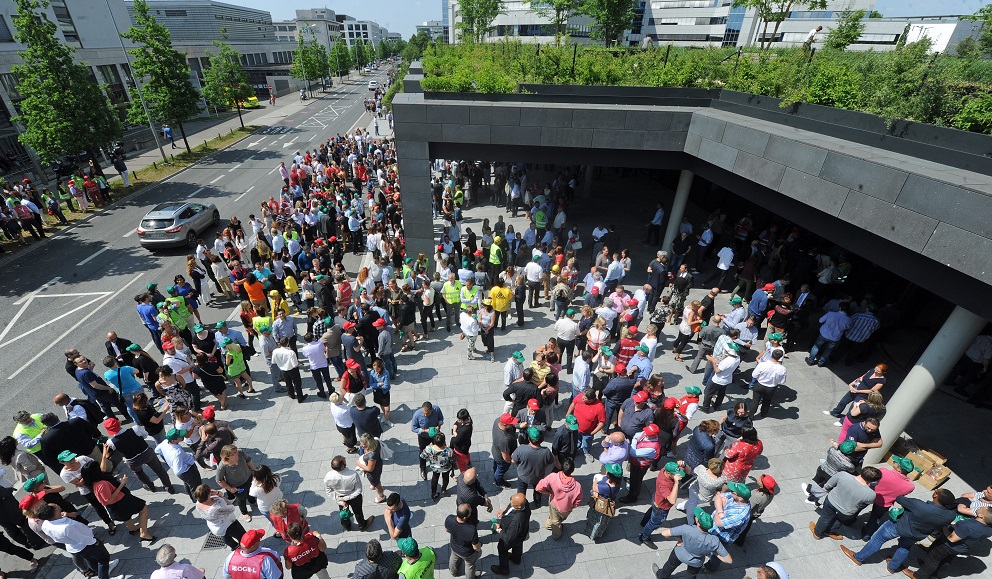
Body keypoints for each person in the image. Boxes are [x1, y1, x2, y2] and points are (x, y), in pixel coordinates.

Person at [842, 489, 957, 573]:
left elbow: (900, 499)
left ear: (936, 495)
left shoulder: (919, 505)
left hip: (897, 527)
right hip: (917, 535)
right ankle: (892, 567)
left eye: (937, 490)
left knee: (878, 539)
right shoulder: (950, 516)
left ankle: (858, 558)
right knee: (904, 548)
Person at [37, 503, 121, 579]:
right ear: (56, 510)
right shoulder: (66, 527)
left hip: (75, 547)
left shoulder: (46, 524)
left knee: (91, 560)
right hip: (86, 545)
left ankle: (104, 571)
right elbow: (82, 539)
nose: (56, 504)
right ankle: (103, 576)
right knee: (103, 558)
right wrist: (95, 542)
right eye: (55, 505)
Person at [905, 506, 992, 579]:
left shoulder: (968, 526)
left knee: (933, 559)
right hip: (961, 548)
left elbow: (951, 539)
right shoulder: (988, 529)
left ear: (981, 516)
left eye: (982, 508)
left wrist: (944, 527)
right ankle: (933, 575)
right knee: (946, 560)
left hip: (948, 546)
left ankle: (918, 575)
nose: (980, 507)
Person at [651, 507, 732, 579]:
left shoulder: (687, 529)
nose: (696, 517)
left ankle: (661, 576)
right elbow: (728, 560)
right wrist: (714, 551)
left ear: (698, 523)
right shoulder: (713, 540)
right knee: (691, 576)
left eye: (697, 517)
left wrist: (680, 539)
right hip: (696, 562)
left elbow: (664, 533)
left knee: (669, 566)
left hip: (679, 553)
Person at [102, 417, 175, 494]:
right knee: (159, 469)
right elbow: (145, 435)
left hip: (132, 459)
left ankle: (151, 486)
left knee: (139, 473)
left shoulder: (111, 442)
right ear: (119, 423)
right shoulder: (135, 429)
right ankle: (168, 487)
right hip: (146, 452)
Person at [810, 467, 881, 540]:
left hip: (831, 501)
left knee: (825, 517)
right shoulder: (871, 494)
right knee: (839, 521)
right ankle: (829, 532)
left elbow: (827, 486)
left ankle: (817, 533)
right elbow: (867, 502)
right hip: (847, 511)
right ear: (873, 481)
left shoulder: (843, 475)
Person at [535, 457, 583, 540]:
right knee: (558, 520)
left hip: (554, 503)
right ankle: (554, 530)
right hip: (566, 508)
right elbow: (578, 500)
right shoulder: (577, 486)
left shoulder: (552, 477)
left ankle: (554, 531)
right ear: (572, 470)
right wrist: (572, 506)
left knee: (555, 519)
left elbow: (538, 488)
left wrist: (549, 492)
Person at [639, 461, 685, 545]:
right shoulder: (663, 484)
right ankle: (644, 537)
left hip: (657, 499)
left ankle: (643, 522)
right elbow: (672, 500)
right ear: (668, 473)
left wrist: (681, 465)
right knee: (653, 523)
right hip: (661, 507)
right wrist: (676, 483)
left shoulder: (664, 469)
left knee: (651, 511)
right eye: (674, 474)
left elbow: (678, 468)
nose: (677, 476)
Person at [323, 456, 374, 532]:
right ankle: (362, 525)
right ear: (343, 466)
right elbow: (358, 490)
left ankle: (347, 527)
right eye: (344, 460)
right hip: (354, 497)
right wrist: (346, 498)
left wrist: (340, 500)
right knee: (358, 512)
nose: (345, 458)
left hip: (340, 498)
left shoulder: (328, 476)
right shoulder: (353, 474)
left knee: (343, 513)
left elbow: (329, 491)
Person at [511, 427, 557, 509]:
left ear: (529, 439)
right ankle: (537, 503)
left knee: (521, 491)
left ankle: (522, 505)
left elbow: (513, 460)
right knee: (538, 491)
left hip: (523, 476)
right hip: (538, 476)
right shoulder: (546, 451)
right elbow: (551, 462)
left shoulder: (521, 449)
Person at [490, 492, 532, 576]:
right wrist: (503, 510)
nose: (510, 502)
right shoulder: (524, 503)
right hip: (521, 535)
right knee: (518, 545)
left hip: (512, 535)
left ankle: (503, 569)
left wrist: (498, 529)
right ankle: (516, 559)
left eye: (512, 502)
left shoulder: (517, 520)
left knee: (502, 548)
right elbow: (512, 506)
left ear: (518, 506)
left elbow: (508, 538)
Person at [194, 484, 246, 551]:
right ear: (208, 495)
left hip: (216, 527)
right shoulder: (216, 508)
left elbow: (219, 493)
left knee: (226, 538)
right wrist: (221, 496)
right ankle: (247, 547)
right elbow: (232, 508)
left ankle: (236, 547)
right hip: (229, 524)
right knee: (243, 536)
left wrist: (217, 493)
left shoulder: (198, 503)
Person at [216, 444, 258, 521]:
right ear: (227, 456)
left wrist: (254, 471)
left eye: (236, 451)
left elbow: (248, 460)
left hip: (248, 477)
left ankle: (253, 501)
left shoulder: (240, 453)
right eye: (234, 453)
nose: (237, 453)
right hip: (237, 486)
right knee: (241, 499)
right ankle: (244, 512)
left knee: (251, 491)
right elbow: (219, 480)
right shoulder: (222, 466)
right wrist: (230, 489)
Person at [445, 503, 481, 578]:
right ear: (465, 517)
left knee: (453, 558)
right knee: (470, 566)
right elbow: (475, 547)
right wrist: (478, 549)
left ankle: (453, 572)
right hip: (467, 553)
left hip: (454, 546)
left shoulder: (449, 519)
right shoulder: (471, 530)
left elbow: (446, 530)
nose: (471, 511)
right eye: (470, 511)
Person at [411, 402, 444, 481]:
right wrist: (425, 430)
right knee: (422, 452)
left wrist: (438, 426)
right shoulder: (417, 415)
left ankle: (438, 462)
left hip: (435, 436)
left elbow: (441, 419)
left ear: (432, 410)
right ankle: (422, 468)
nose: (425, 415)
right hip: (423, 437)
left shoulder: (437, 409)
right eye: (424, 413)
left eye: (427, 413)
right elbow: (413, 428)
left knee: (438, 448)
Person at [421, 432, 455, 501]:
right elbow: (453, 460)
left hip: (435, 467)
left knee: (435, 478)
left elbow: (422, 456)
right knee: (445, 478)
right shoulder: (448, 451)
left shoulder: (429, 449)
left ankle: (434, 493)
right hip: (446, 468)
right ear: (444, 442)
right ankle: (444, 489)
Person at [355, 434, 386, 505]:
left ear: (368, 444)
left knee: (377, 484)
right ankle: (373, 484)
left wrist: (359, 464)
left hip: (373, 472)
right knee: (375, 481)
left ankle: (381, 496)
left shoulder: (372, 455)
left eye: (363, 444)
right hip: (378, 465)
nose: (361, 445)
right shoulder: (375, 442)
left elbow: (370, 469)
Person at [491, 413, 518, 489]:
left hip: (495, 451)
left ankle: (495, 470)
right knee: (500, 471)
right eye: (511, 424)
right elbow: (506, 457)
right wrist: (511, 461)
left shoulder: (497, 421)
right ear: (505, 425)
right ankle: (499, 482)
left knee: (496, 465)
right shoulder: (504, 440)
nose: (513, 424)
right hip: (501, 459)